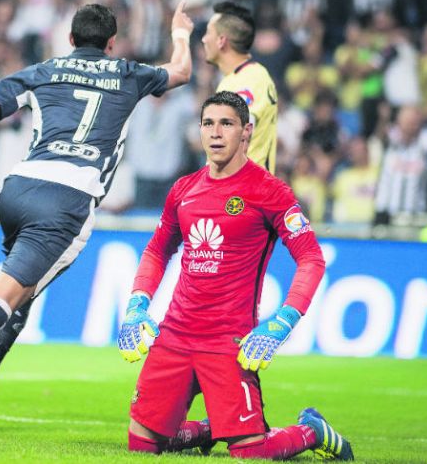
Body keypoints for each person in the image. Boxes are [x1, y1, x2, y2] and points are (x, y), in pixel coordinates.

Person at [0, 2, 194, 429]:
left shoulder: (39, 71)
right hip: (69, 200)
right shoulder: (130, 73)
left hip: (18, 189)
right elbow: (182, 71)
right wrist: (180, 32)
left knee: (25, 287)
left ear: (70, 39)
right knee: (10, 295)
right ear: (111, 44)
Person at [117, 91, 354, 460]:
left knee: (250, 453)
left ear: (247, 131)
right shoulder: (183, 190)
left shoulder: (269, 191)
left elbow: (311, 258)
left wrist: (282, 322)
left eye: (226, 123)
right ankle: (211, 429)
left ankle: (311, 431)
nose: (215, 133)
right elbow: (156, 249)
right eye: (208, 124)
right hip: (175, 335)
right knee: (142, 446)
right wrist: (136, 305)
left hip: (228, 341)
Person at [201, 2, 279, 174]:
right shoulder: (232, 80)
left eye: (208, 33)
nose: (204, 39)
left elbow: (240, 136)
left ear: (222, 41)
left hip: (247, 194)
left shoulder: (250, 79)